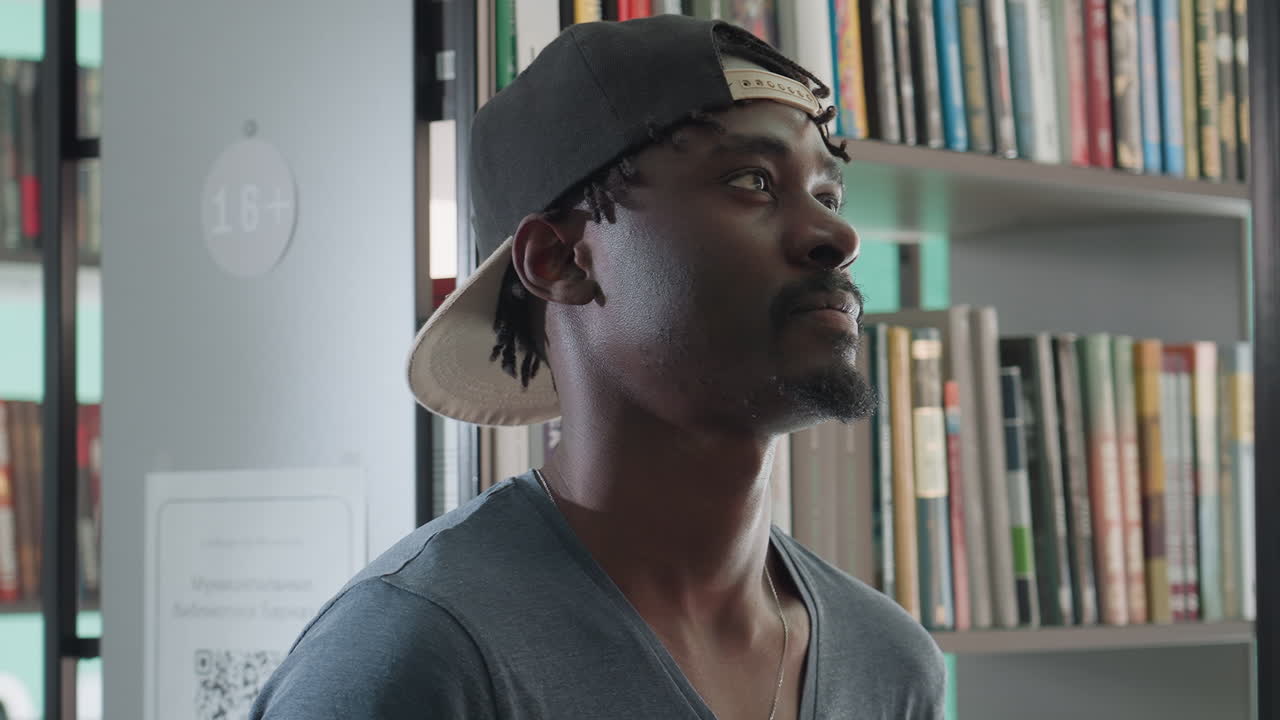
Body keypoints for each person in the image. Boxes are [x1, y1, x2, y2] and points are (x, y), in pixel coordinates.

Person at [251, 14, 944, 719]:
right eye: (753, 181)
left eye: (828, 195)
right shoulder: (420, 650)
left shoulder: (887, 664)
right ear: (560, 260)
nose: (838, 235)